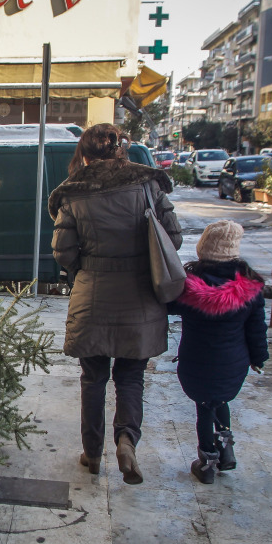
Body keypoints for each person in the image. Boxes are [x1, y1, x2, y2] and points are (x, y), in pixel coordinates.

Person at [48, 123, 182, 484]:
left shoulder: (74, 193)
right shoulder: (148, 185)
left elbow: (62, 252)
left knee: (93, 379)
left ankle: (92, 454)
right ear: (119, 152)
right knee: (131, 377)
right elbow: (174, 237)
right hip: (141, 296)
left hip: (92, 296)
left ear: (86, 156)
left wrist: (84, 270)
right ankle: (126, 440)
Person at [166, 220, 269, 484]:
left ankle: (207, 460)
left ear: (203, 249)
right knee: (221, 400)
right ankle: (226, 446)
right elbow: (257, 329)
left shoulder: (188, 287)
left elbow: (165, 306)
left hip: (196, 361)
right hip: (234, 363)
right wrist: (259, 358)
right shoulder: (250, 288)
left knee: (204, 407)